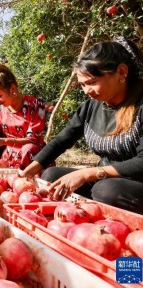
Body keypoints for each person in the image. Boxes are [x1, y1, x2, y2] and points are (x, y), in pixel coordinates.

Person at [21, 37, 143, 214]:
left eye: (92, 82)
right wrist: (30, 170)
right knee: (52, 177)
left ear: (122, 72)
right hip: (104, 179)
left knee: (105, 190)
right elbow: (63, 139)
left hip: (132, 183)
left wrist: (88, 173)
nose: (87, 91)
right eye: (83, 85)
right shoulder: (91, 106)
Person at [0, 64, 46, 169]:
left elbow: (33, 139)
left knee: (28, 148)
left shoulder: (35, 105)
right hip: (9, 160)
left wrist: (5, 141)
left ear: (12, 89)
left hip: (33, 158)